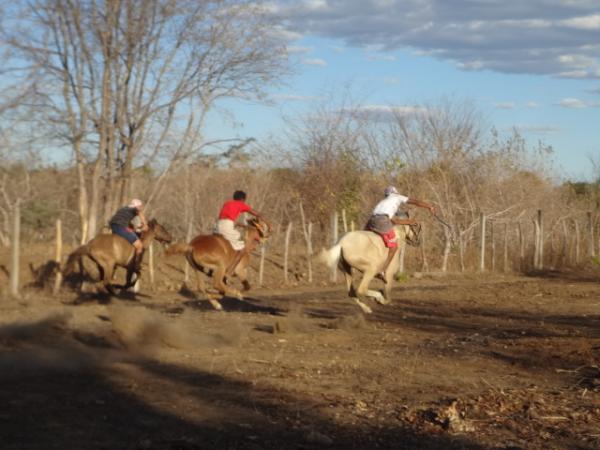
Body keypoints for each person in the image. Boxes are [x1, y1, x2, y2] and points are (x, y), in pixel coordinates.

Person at [365, 186, 435, 283]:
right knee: (394, 247)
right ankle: (382, 270)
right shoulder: (397, 197)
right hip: (382, 221)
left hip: (371, 220)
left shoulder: (383, 203)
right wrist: (429, 206)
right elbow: (415, 202)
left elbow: (393, 221)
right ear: (395, 193)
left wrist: (408, 222)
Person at [215, 190, 270, 278]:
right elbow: (257, 214)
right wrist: (267, 223)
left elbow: (228, 216)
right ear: (242, 199)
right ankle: (230, 271)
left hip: (217, 225)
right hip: (227, 225)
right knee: (242, 249)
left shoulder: (227, 203)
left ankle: (213, 269)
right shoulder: (241, 204)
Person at [109, 198, 149, 274]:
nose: (141, 208)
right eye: (140, 206)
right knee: (139, 245)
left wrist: (134, 227)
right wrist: (145, 224)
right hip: (121, 226)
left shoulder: (124, 209)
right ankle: (136, 265)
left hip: (113, 226)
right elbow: (140, 213)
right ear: (136, 206)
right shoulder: (135, 209)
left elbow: (126, 220)